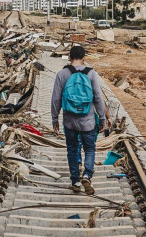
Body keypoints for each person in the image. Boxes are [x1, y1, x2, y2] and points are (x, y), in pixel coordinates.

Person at [51, 46, 106, 195]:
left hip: (69, 121)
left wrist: (54, 119)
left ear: (69, 58)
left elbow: (55, 99)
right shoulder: (91, 74)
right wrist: (102, 118)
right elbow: (98, 98)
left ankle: (75, 181)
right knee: (89, 148)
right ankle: (87, 175)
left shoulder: (62, 74)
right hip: (88, 121)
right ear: (84, 58)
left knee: (72, 149)